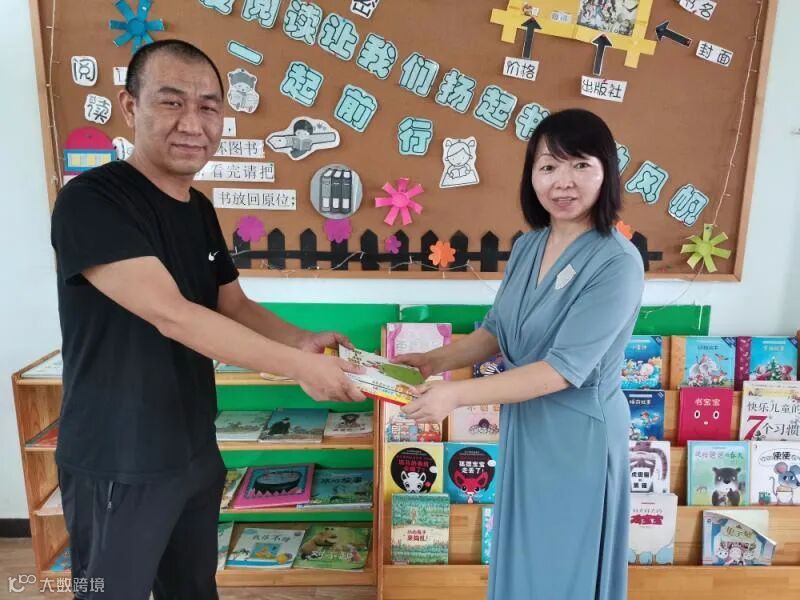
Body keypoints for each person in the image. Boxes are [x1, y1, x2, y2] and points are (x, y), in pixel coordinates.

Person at [50, 40, 365, 600]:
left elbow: (232, 304)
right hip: (119, 456)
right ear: (130, 106)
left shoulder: (198, 209)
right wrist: (299, 368)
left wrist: (304, 341)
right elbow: (173, 314)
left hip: (193, 445)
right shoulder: (91, 201)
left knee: (193, 587)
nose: (193, 124)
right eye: (171, 102)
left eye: (208, 106)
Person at [398, 109, 644, 600]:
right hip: (526, 424)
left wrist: (455, 396)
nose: (562, 182)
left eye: (580, 165)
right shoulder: (530, 245)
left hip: (578, 436)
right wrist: (434, 361)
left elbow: (560, 371)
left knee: (564, 563)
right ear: (532, 176)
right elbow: (498, 329)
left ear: (607, 173)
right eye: (548, 166)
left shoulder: (618, 262)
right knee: (523, 555)